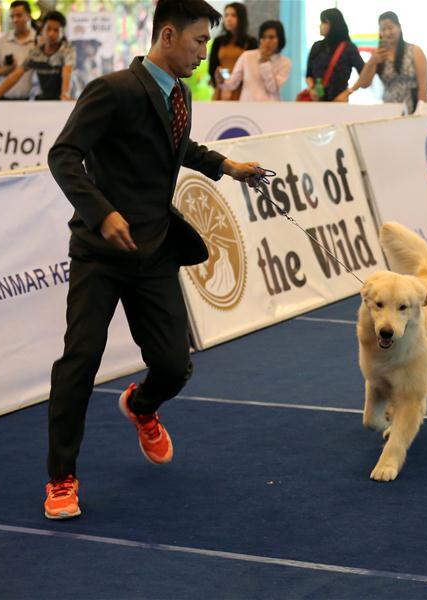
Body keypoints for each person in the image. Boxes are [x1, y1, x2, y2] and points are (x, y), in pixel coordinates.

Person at [43, 0, 267, 520]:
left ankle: (141, 407)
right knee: (79, 363)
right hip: (100, 254)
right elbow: (63, 155)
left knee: (172, 366)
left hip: (155, 252)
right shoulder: (113, 90)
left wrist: (226, 165)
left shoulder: (181, 93)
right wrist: (102, 214)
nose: (203, 52)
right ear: (168, 35)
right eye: (198, 41)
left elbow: (174, 145)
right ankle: (61, 479)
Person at [349, 11, 427, 113]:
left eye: (390, 28)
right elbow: (364, 84)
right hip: (390, 110)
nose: (387, 33)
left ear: (399, 27)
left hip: (414, 107)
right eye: (383, 29)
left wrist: (421, 112)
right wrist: (372, 61)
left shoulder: (414, 51)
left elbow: (423, 86)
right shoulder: (378, 55)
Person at [0, 10, 75, 101]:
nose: (51, 33)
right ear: (42, 30)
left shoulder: (67, 50)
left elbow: (67, 73)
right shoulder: (36, 53)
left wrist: (65, 94)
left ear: (62, 33)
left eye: (56, 30)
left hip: (61, 101)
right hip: (41, 100)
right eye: (48, 29)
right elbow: (15, 76)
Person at [217, 20, 290, 102]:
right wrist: (222, 80)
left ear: (280, 39)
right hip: (247, 105)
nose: (267, 41)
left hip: (270, 107)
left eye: (271, 37)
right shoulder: (247, 56)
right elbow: (232, 83)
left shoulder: (285, 62)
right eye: (263, 37)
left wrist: (264, 62)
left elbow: (272, 88)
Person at [306, 8, 364, 102]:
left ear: (333, 24)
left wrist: (347, 92)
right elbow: (309, 74)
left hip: (339, 101)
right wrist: (311, 88)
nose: (320, 26)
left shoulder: (348, 48)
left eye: (324, 22)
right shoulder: (317, 46)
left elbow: (364, 73)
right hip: (316, 101)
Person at [0, 0, 35, 100]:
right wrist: (4, 70)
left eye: (19, 15)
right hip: (2, 99)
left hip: (30, 101)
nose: (15, 19)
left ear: (28, 16)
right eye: (12, 16)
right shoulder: (0, 41)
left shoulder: (38, 42)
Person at [208, 2, 257, 100]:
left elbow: (252, 69)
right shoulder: (219, 41)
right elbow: (213, 66)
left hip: (243, 88)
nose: (229, 19)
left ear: (241, 18)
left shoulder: (251, 41)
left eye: (233, 15)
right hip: (221, 86)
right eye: (226, 15)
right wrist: (223, 81)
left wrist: (233, 81)